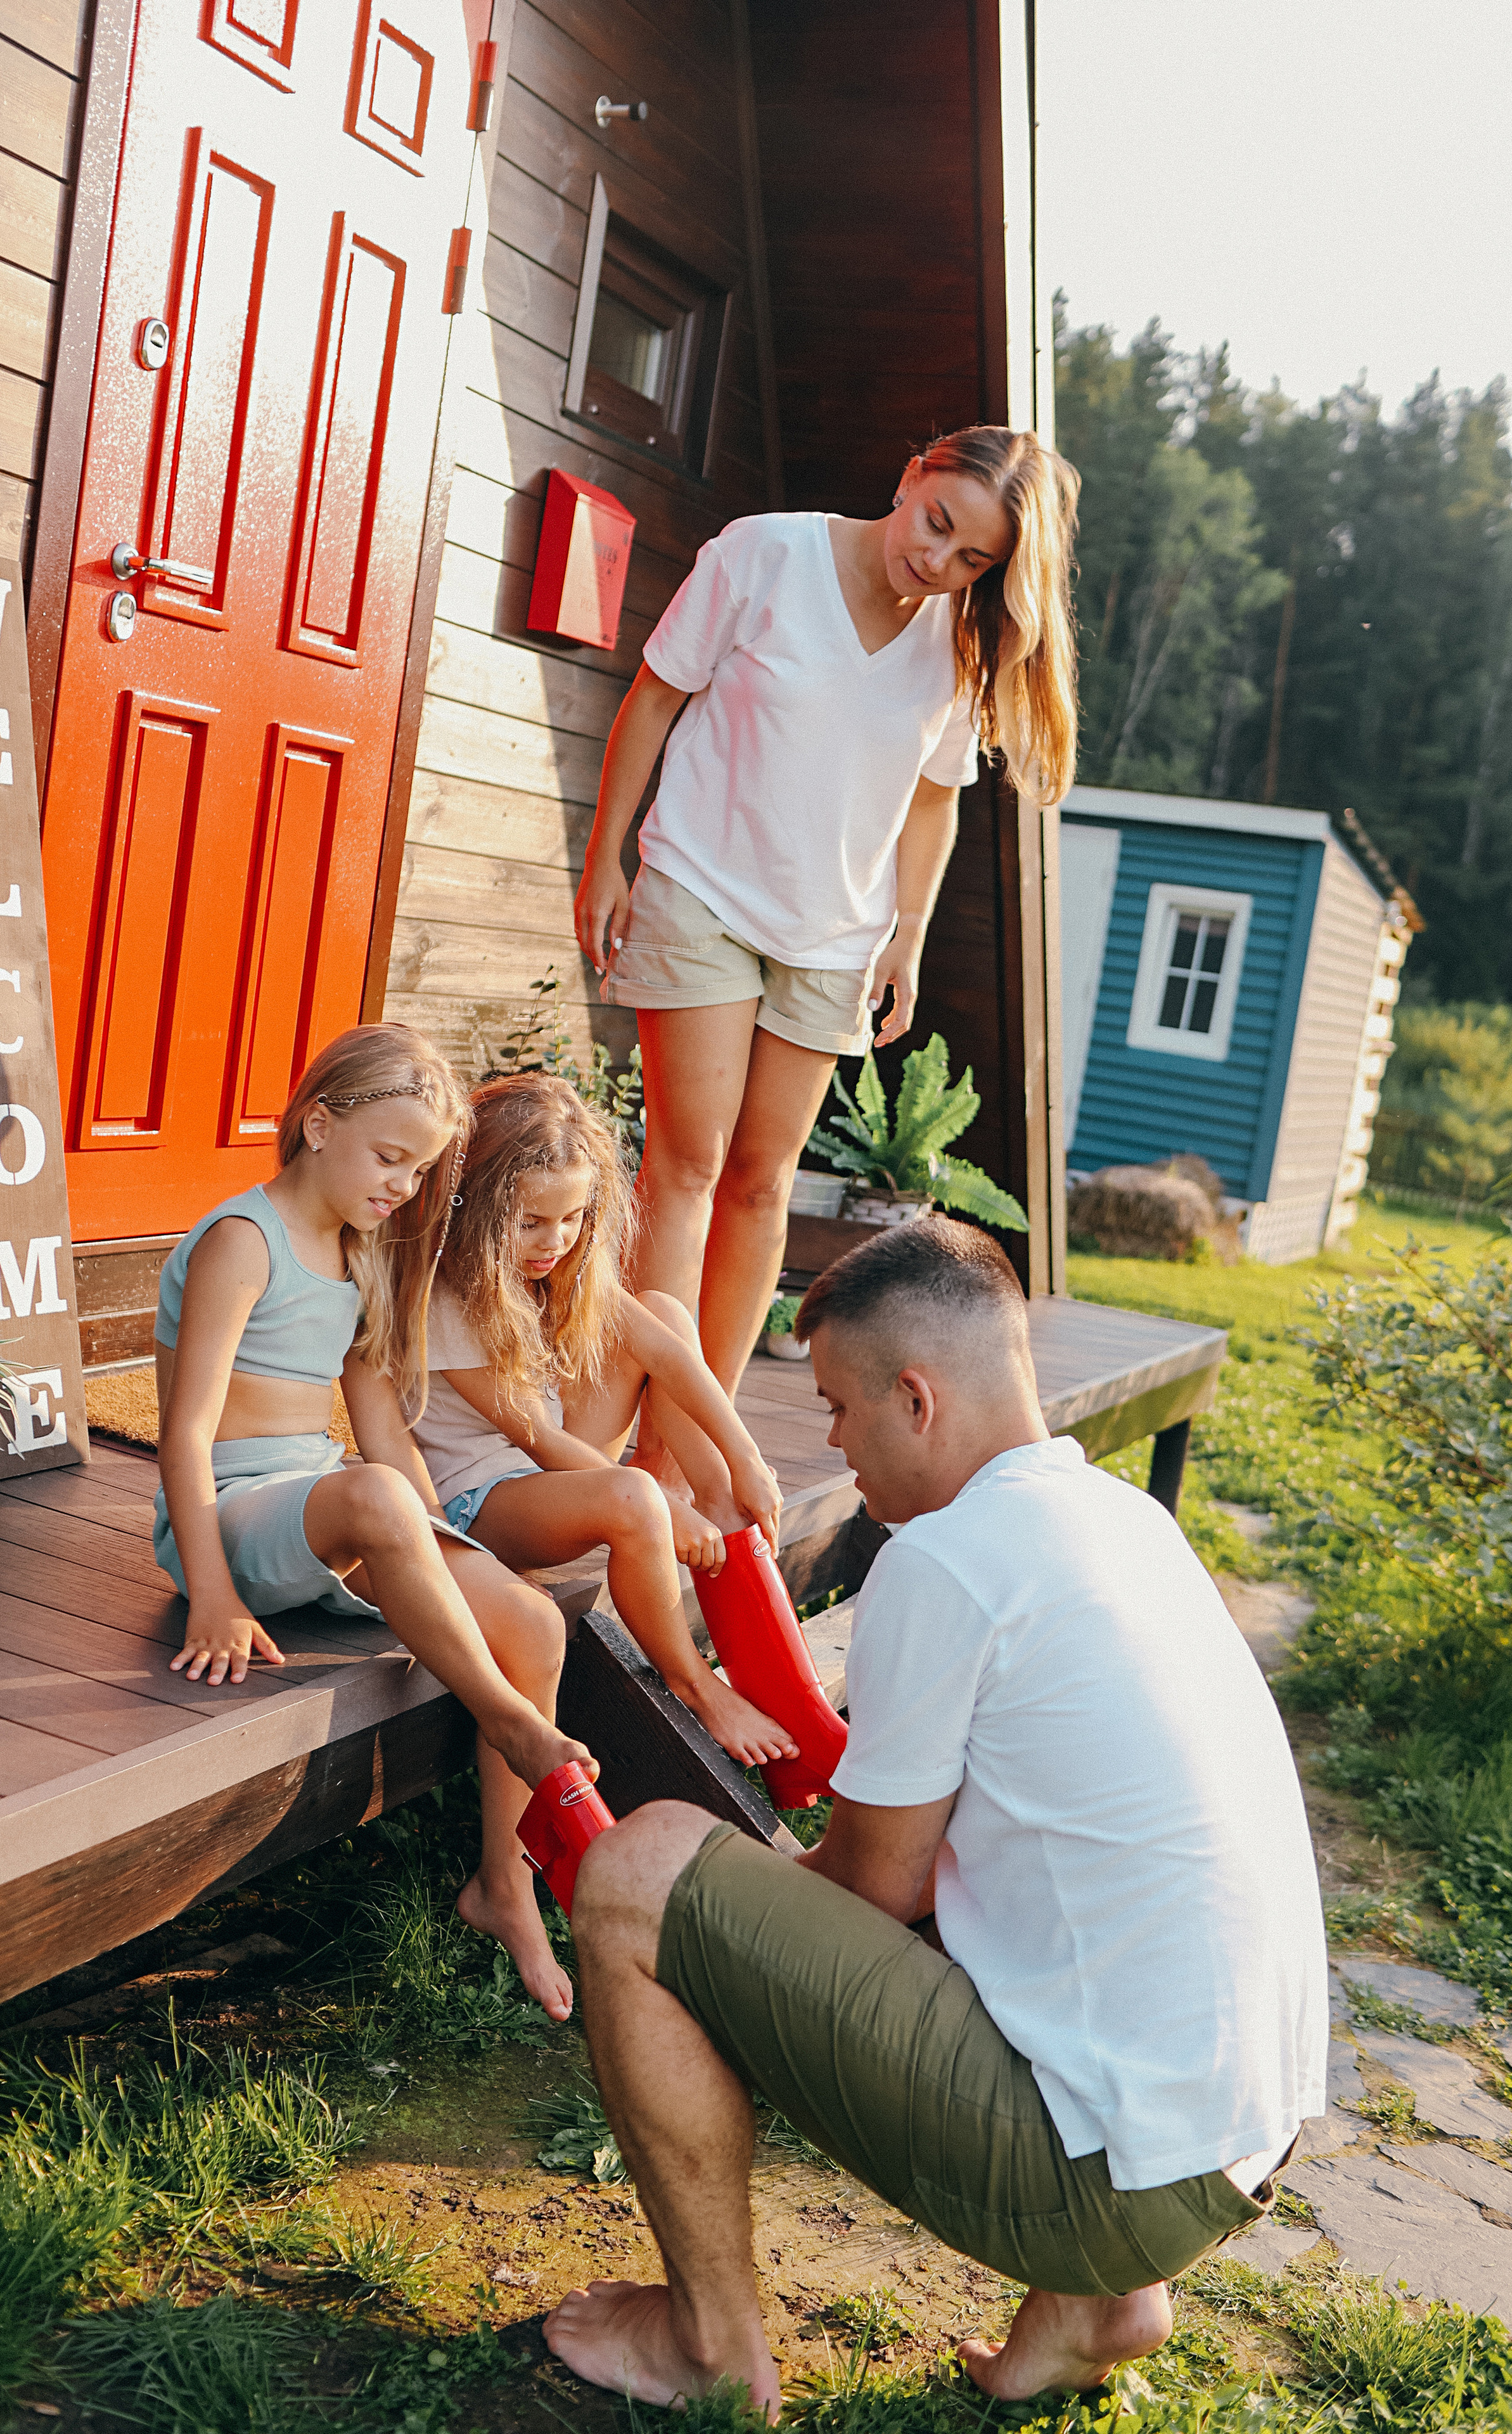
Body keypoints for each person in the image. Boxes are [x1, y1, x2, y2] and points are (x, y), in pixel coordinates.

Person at [543, 1218, 1328, 2412]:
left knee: (641, 1871)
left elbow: (876, 1890)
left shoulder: (947, 1560)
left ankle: (705, 2345)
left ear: (917, 1397)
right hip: (1237, 2142)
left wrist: (736, 1903)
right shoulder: (1130, 1524)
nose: (833, 1439)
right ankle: (1098, 2307)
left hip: (1112, 2180)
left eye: (840, 1407)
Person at [573, 425, 1079, 1396]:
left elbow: (934, 798)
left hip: (834, 936)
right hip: (701, 888)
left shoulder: (959, 647)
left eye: (973, 558)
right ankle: (614, 1424)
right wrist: (606, 862)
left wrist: (911, 934)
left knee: (763, 1184)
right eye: (936, 525)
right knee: (687, 1165)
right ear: (910, 471)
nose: (937, 562)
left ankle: (689, 1448)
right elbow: (651, 700)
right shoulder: (765, 552)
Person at [155, 1023, 595, 2023]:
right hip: (225, 1518)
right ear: (318, 1124)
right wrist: (212, 1596)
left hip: (322, 1497)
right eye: (390, 1158)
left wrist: (449, 1547)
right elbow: (183, 1434)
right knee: (377, 1496)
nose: (403, 1186)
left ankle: (503, 1886)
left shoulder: (356, 1254)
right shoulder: (242, 1240)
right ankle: (514, 1723)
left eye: (420, 1168)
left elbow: (375, 1433)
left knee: (533, 1623)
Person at [406, 1072, 795, 1768]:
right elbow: (539, 1439)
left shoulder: (558, 1265)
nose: (553, 1240)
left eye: (573, 1217)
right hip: (479, 1505)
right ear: (475, 1206)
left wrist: (744, 1461)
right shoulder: (448, 1298)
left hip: (545, 1468)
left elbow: (668, 1360)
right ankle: (693, 1682)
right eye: (529, 1222)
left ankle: (718, 1507)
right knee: (634, 1496)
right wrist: (657, 1510)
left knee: (663, 1315)